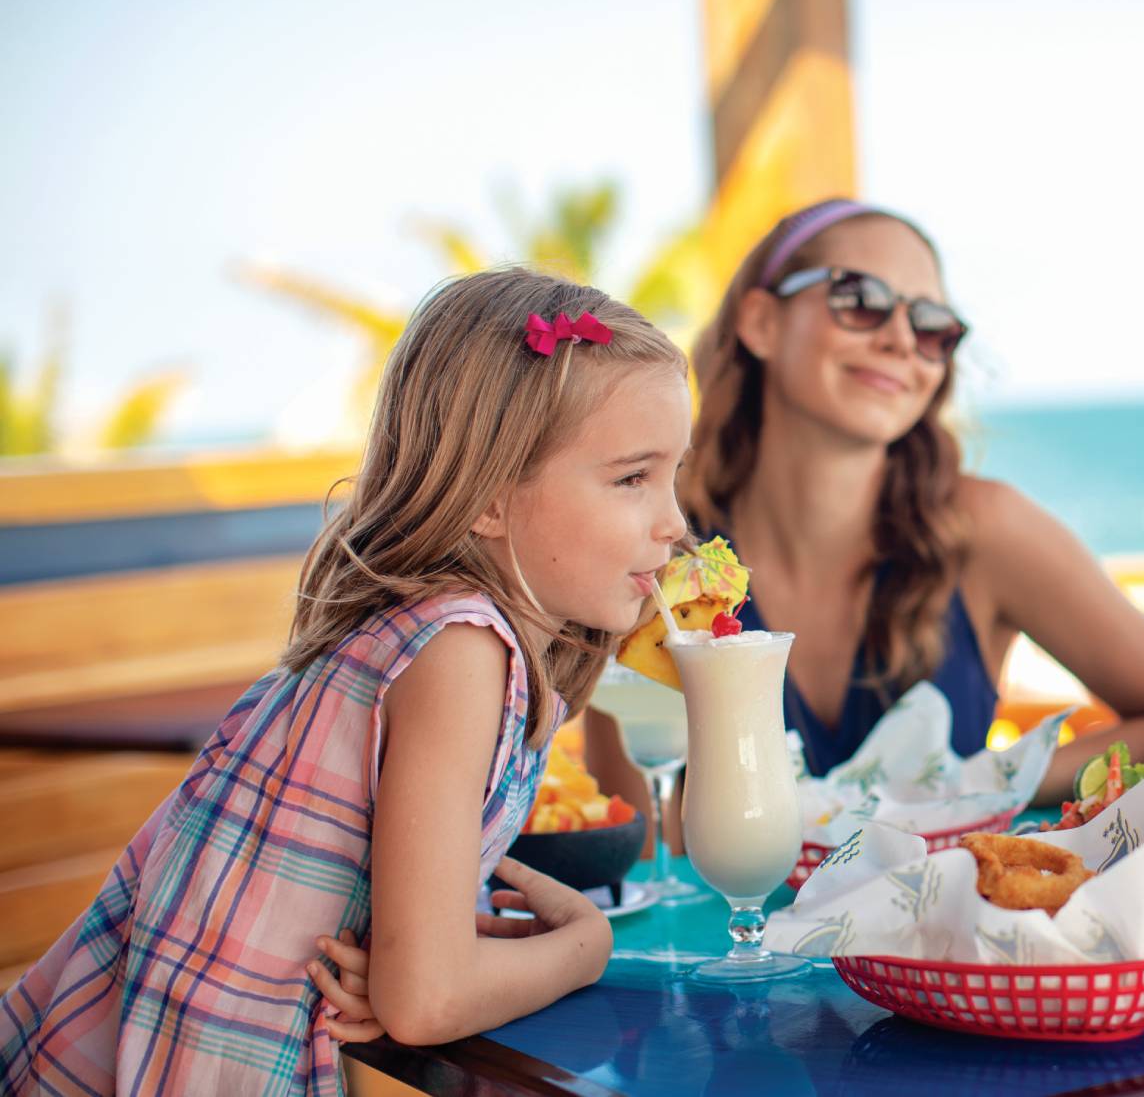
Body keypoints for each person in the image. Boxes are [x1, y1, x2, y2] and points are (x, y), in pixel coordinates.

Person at [1, 269, 692, 1093]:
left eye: (673, 476)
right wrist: (583, 948)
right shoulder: (459, 650)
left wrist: (435, 964)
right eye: (631, 479)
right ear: (490, 499)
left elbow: (413, 971)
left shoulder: (450, 639)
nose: (675, 521)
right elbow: (427, 1004)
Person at [649, 198, 1144, 821]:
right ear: (762, 322)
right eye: (858, 299)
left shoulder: (984, 530)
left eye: (932, 325)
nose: (899, 341)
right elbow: (641, 826)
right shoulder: (664, 544)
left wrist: (1001, 778)